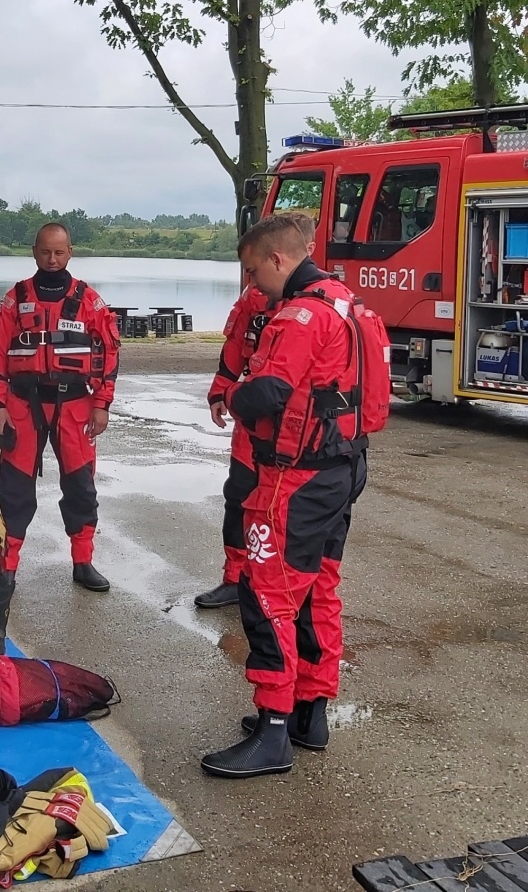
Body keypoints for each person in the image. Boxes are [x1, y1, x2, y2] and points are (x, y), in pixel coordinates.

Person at [200, 214, 369, 780]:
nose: (252, 286)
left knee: (267, 592)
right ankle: (308, 712)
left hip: (295, 479)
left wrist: (240, 391)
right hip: (341, 469)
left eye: (253, 271)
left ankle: (273, 728)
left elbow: (269, 391)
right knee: (320, 589)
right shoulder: (347, 302)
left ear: (277, 259)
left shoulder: (299, 314)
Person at [0, 222, 121, 591]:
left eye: (59, 252)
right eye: (45, 251)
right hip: (22, 404)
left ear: (70, 252)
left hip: (76, 404)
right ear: (34, 251)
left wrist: (103, 404)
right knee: (13, 489)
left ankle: (83, 562)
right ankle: (7, 565)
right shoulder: (15, 299)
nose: (52, 258)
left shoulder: (89, 301)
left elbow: (109, 353)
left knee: (81, 488)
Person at [196, 210, 319, 610]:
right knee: (240, 497)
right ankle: (235, 578)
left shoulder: (317, 307)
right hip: (252, 422)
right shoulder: (255, 297)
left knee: (288, 513)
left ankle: (285, 586)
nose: (252, 279)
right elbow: (236, 346)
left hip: (297, 432)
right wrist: (220, 391)